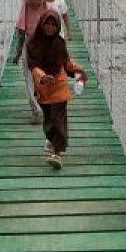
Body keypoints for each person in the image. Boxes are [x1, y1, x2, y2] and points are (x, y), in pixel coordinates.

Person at [27, 9, 87, 169]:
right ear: (41, 24)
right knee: (48, 120)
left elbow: (66, 63)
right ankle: (52, 140)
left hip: (59, 86)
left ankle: (57, 153)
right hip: (43, 88)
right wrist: (42, 76)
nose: (50, 27)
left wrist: (79, 71)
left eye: (53, 25)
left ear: (58, 26)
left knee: (58, 120)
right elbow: (33, 66)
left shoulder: (59, 43)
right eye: (47, 24)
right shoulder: (32, 44)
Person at [11, 0, 48, 123]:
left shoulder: (48, 13)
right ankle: (36, 110)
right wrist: (18, 53)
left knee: (44, 78)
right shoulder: (25, 12)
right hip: (29, 49)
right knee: (29, 79)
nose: (35, 2)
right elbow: (21, 35)